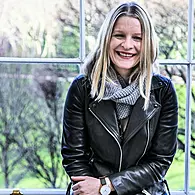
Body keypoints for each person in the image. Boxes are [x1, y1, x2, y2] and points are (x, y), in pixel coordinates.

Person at [61, 2, 178, 195]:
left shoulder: (163, 91)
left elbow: (160, 161)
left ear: (147, 43)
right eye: (119, 35)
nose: (127, 45)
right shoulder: (82, 88)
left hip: (145, 191)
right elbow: (74, 157)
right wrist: (96, 191)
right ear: (107, 38)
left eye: (137, 38)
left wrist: (107, 186)